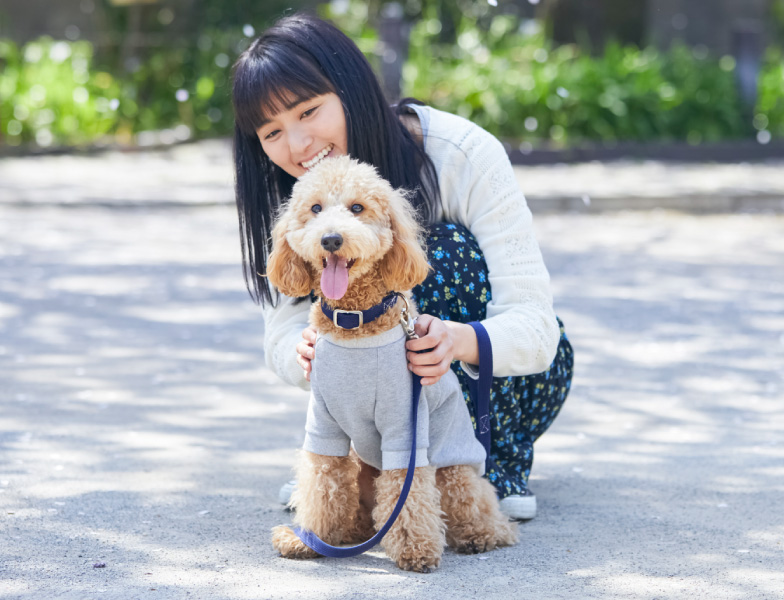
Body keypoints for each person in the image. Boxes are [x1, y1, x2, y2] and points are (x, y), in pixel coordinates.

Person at [231, 13, 573, 520]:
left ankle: (487, 459)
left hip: (500, 381)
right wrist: (300, 352)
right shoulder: (298, 191)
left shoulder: (464, 153)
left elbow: (536, 327)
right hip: (372, 389)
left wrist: (457, 340)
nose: (298, 145)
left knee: (444, 250)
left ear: (349, 88)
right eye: (272, 132)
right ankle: (354, 465)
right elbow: (281, 328)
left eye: (309, 111)